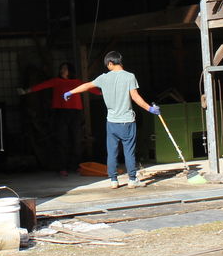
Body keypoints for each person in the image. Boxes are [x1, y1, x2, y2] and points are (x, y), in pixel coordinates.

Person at [64, 51, 159, 188]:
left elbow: (87, 86)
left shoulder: (103, 78)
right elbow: (136, 97)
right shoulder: (129, 77)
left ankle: (113, 180)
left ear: (110, 63)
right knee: (129, 151)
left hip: (112, 123)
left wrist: (70, 92)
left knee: (112, 151)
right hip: (127, 122)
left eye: (107, 65)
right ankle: (132, 179)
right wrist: (150, 109)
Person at [19, 62, 89, 175]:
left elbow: (88, 87)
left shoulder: (76, 82)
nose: (62, 71)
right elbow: (42, 85)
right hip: (60, 113)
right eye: (61, 68)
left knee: (76, 140)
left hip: (75, 113)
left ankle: (75, 165)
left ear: (70, 71)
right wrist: (28, 91)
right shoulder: (56, 81)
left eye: (65, 69)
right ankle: (63, 167)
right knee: (62, 140)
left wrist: (101, 92)